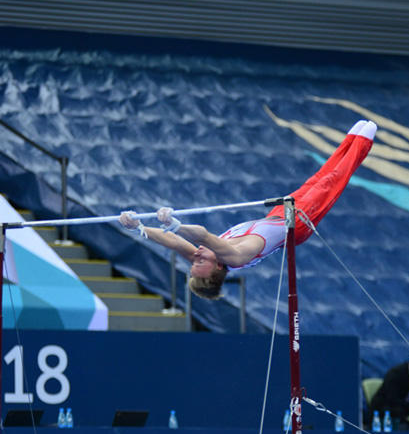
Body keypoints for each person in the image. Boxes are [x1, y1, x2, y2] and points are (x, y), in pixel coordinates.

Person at [120, 119, 376, 299]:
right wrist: (175, 223)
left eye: (193, 262)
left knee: (317, 178)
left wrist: (139, 227)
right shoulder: (233, 258)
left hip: (275, 217)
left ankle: (350, 140)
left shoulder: (205, 257)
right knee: (332, 182)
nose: (195, 257)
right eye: (199, 262)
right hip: (294, 226)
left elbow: (174, 243)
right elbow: (202, 234)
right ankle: (362, 144)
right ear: (217, 269)